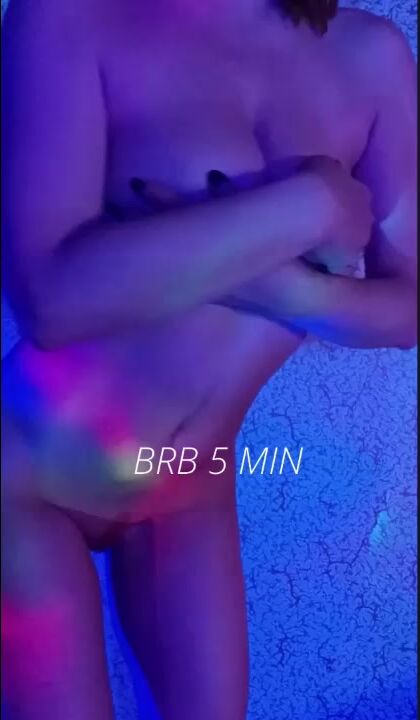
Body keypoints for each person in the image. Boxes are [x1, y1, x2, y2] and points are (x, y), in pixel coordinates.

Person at [1, 0, 417, 718]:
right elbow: (51, 299)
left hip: (188, 492)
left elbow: (408, 306)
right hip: (29, 477)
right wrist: (310, 206)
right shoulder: (70, 14)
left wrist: (289, 289)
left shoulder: (373, 55)